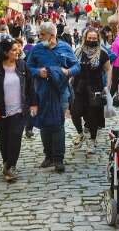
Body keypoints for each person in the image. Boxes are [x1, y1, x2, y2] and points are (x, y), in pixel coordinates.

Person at [27, 23, 80, 172]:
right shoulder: (37, 49)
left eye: (42, 34)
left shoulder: (64, 48)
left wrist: (67, 71)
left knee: (58, 123)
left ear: (52, 35)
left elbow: (77, 66)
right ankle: (48, 156)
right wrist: (38, 72)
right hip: (42, 91)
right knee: (45, 123)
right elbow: (28, 67)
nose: (39, 37)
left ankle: (58, 158)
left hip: (60, 91)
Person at [0, 37, 37, 182]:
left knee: (15, 136)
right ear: (6, 52)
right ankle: (6, 163)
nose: (18, 52)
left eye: (18, 49)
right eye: (14, 50)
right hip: (1, 109)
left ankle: (11, 166)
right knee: (4, 138)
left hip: (19, 109)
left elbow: (30, 86)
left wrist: (33, 103)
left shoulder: (22, 65)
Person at [70, 27, 112, 151]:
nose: (92, 40)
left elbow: (108, 69)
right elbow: (72, 66)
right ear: (85, 38)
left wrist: (108, 86)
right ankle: (80, 134)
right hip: (79, 87)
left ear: (98, 39)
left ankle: (92, 141)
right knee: (75, 113)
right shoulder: (78, 51)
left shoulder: (102, 53)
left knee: (92, 115)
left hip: (95, 88)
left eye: (94, 38)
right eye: (90, 38)